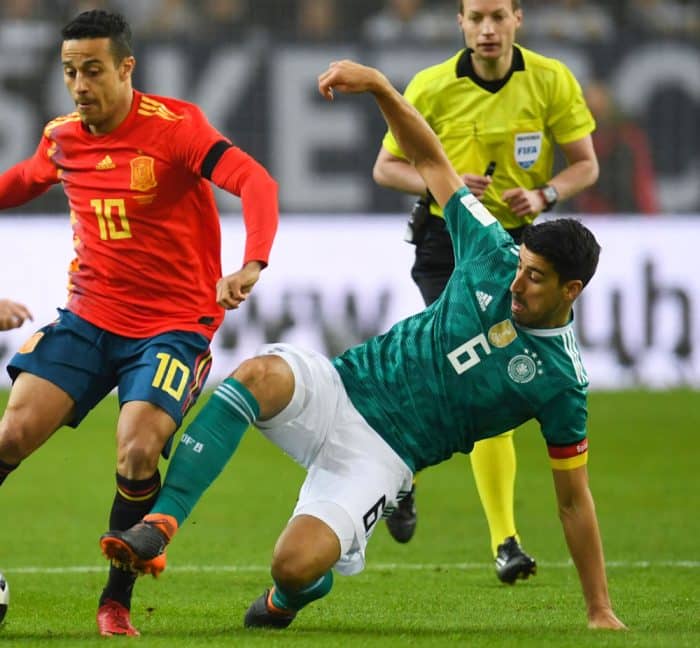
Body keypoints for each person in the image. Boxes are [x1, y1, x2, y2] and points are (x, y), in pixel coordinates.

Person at [99, 60, 626, 632]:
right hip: (344, 384)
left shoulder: (561, 382)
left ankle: (291, 596)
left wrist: (599, 610)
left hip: (385, 456)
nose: (517, 283)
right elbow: (430, 160)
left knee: (293, 565)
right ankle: (162, 526)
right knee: (255, 375)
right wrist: (380, 86)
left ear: (571, 290)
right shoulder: (492, 253)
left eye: (536, 278)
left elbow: (574, 501)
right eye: (522, 267)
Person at [0, 9, 278, 638]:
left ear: (127, 69)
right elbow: (21, 181)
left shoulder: (176, 127)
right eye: (70, 71)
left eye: (93, 70)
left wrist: (252, 261)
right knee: (10, 435)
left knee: (136, 446)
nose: (79, 84)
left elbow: (254, 181)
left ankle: (116, 598)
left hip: (173, 325)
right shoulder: (63, 136)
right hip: (89, 316)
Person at [372, 0, 599, 579]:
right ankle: (490, 531)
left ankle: (496, 535)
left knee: (482, 378)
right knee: (473, 374)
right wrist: (438, 185)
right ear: (461, 23)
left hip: (525, 251)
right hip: (452, 244)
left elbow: (585, 165)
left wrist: (546, 195)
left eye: (498, 15)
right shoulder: (430, 85)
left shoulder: (550, 79)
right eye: (476, 17)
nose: (487, 28)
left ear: (518, 18)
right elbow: (387, 168)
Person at [573, 80, 659, 215]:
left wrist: (650, 215)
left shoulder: (627, 138)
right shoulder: (575, 140)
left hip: (625, 215)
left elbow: (642, 180)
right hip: (588, 215)